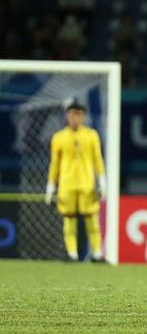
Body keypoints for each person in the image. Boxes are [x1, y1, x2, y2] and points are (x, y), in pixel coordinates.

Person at [45, 99, 106, 262]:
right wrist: (51, 185)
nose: (75, 118)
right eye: (72, 114)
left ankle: (97, 254)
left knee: (92, 220)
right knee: (69, 220)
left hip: (87, 185)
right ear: (67, 116)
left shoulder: (91, 135)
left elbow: (97, 159)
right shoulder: (58, 137)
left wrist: (102, 180)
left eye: (78, 114)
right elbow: (54, 164)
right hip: (67, 185)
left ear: (83, 116)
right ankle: (72, 254)